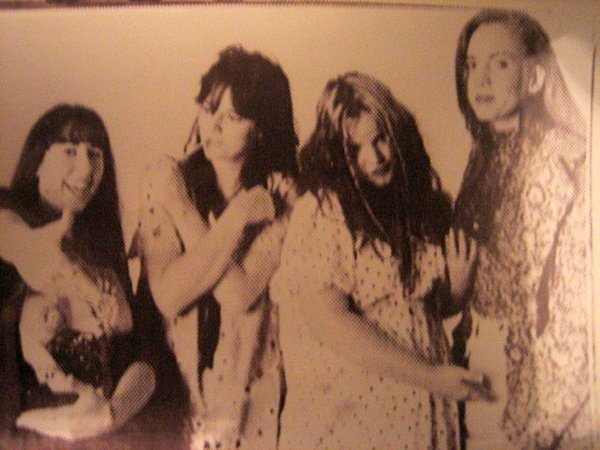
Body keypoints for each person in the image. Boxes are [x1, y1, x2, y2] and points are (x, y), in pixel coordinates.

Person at [270, 72, 493, 450]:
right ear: (336, 154)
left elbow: (416, 310)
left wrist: (457, 289)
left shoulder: (410, 202)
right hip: (358, 422)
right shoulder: (322, 211)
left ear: (397, 130)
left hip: (424, 416)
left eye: (380, 138)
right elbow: (330, 322)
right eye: (355, 149)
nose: (374, 157)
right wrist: (431, 376)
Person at [132, 46, 298, 449]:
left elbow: (238, 293)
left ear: (261, 128)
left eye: (234, 117)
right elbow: (169, 295)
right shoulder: (168, 181)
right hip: (174, 394)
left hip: (249, 398)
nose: (215, 126)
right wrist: (233, 216)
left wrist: (198, 210)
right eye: (209, 110)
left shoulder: (283, 199)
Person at [453, 9, 592, 449]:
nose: (480, 79)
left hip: (544, 381)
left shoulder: (569, 159)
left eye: (500, 63)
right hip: (480, 363)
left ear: (534, 77)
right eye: (472, 64)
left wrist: (543, 428)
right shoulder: (483, 155)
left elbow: (575, 314)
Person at [0, 104, 157, 446]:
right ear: (37, 162)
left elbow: (144, 355)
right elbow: (13, 236)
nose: (86, 168)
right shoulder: (7, 215)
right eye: (70, 150)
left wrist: (108, 416)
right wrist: (25, 246)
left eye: (95, 154)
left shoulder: (104, 249)